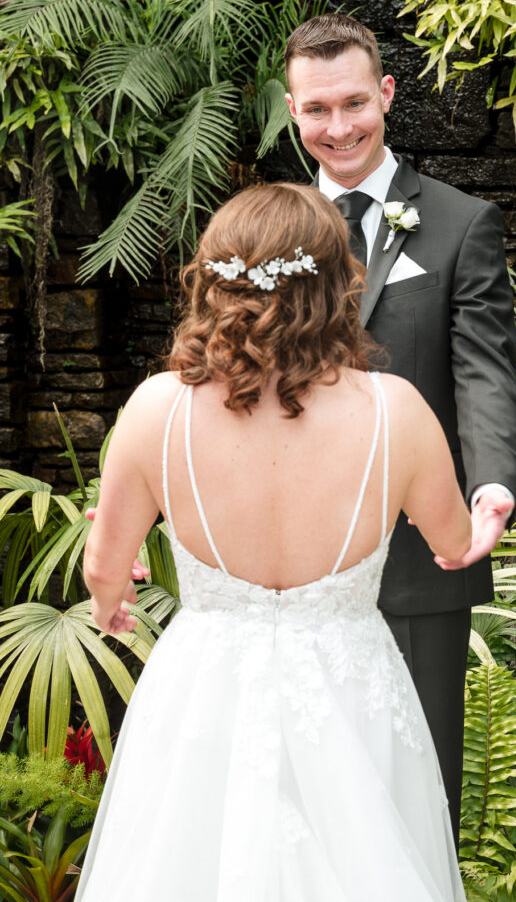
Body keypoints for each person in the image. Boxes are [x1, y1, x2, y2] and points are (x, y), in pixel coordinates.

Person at [75, 183, 474, 901]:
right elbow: (452, 538)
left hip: (205, 687)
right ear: (336, 285)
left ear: (214, 281)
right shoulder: (396, 412)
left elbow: (106, 564)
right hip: (352, 688)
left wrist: (111, 600)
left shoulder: (156, 409)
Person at [284, 14, 516, 843]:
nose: (339, 127)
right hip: (288, 554)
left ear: (386, 93)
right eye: (318, 110)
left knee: (420, 785)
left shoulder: (461, 224)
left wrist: (491, 481)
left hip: (419, 553)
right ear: (293, 111)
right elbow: (225, 377)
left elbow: (485, 369)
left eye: (355, 102)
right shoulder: (265, 232)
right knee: (304, 792)